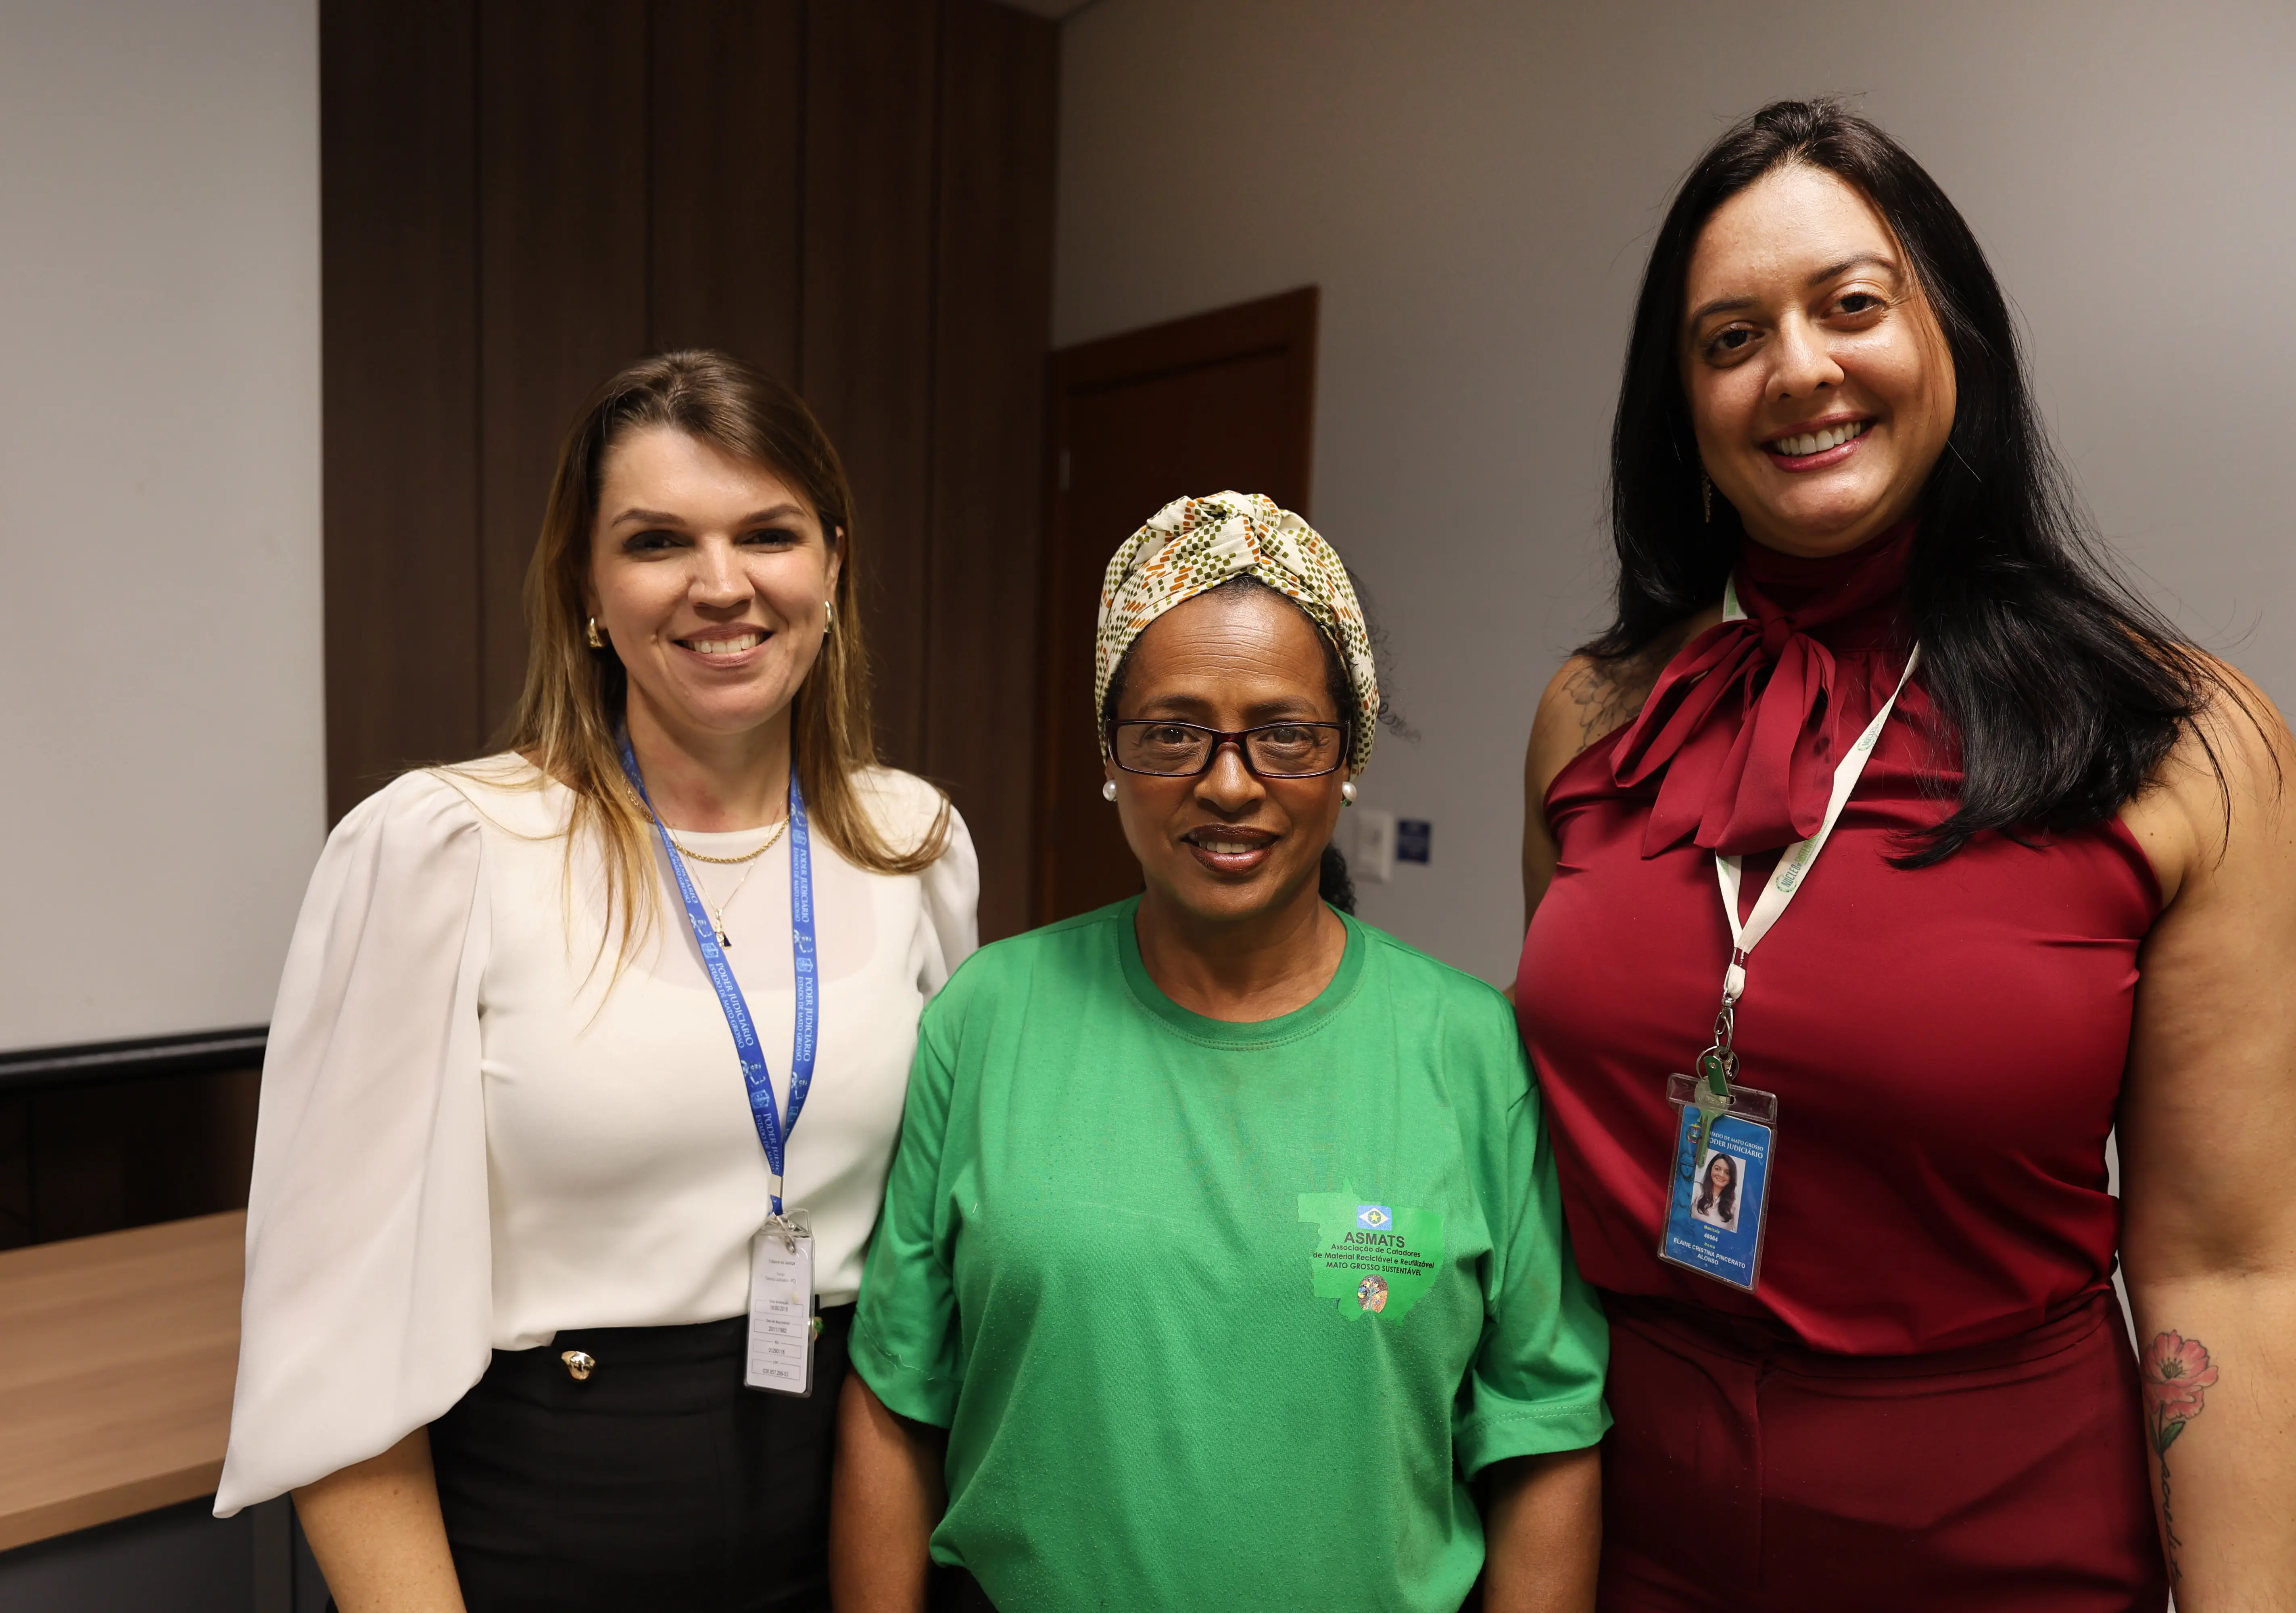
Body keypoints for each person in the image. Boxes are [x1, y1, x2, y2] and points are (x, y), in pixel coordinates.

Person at [1517, 101, 2296, 1611]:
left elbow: (2229, 1269)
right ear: (1681, 406)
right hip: (1626, 1526)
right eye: (1728, 337)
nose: (1799, 369)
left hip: (1996, 1545)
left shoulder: (2187, 746)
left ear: (1951, 334)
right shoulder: (1592, 719)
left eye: (1850, 305)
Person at [212, 350, 978, 1612]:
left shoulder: (912, 842)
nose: (721, 584)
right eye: (658, 540)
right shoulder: (444, 849)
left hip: (851, 1523)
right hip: (548, 1532)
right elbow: (329, 1359)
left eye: (768, 533)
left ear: (831, 567)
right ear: (587, 583)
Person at [833, 493, 1610, 1613]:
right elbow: (898, 1397)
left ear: (1348, 756)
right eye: (1172, 733)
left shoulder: (1468, 1049)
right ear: (1112, 754)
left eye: (1286, 733)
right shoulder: (988, 1017)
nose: (1231, 782)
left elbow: (1541, 1432)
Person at [1690, 1154, 1739, 1232]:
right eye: (1717, 1169)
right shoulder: (1697, 1189)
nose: (1721, 1175)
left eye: (1727, 1173)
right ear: (1711, 1170)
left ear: (1731, 1178)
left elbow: (1740, 1233)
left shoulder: (1736, 1203)